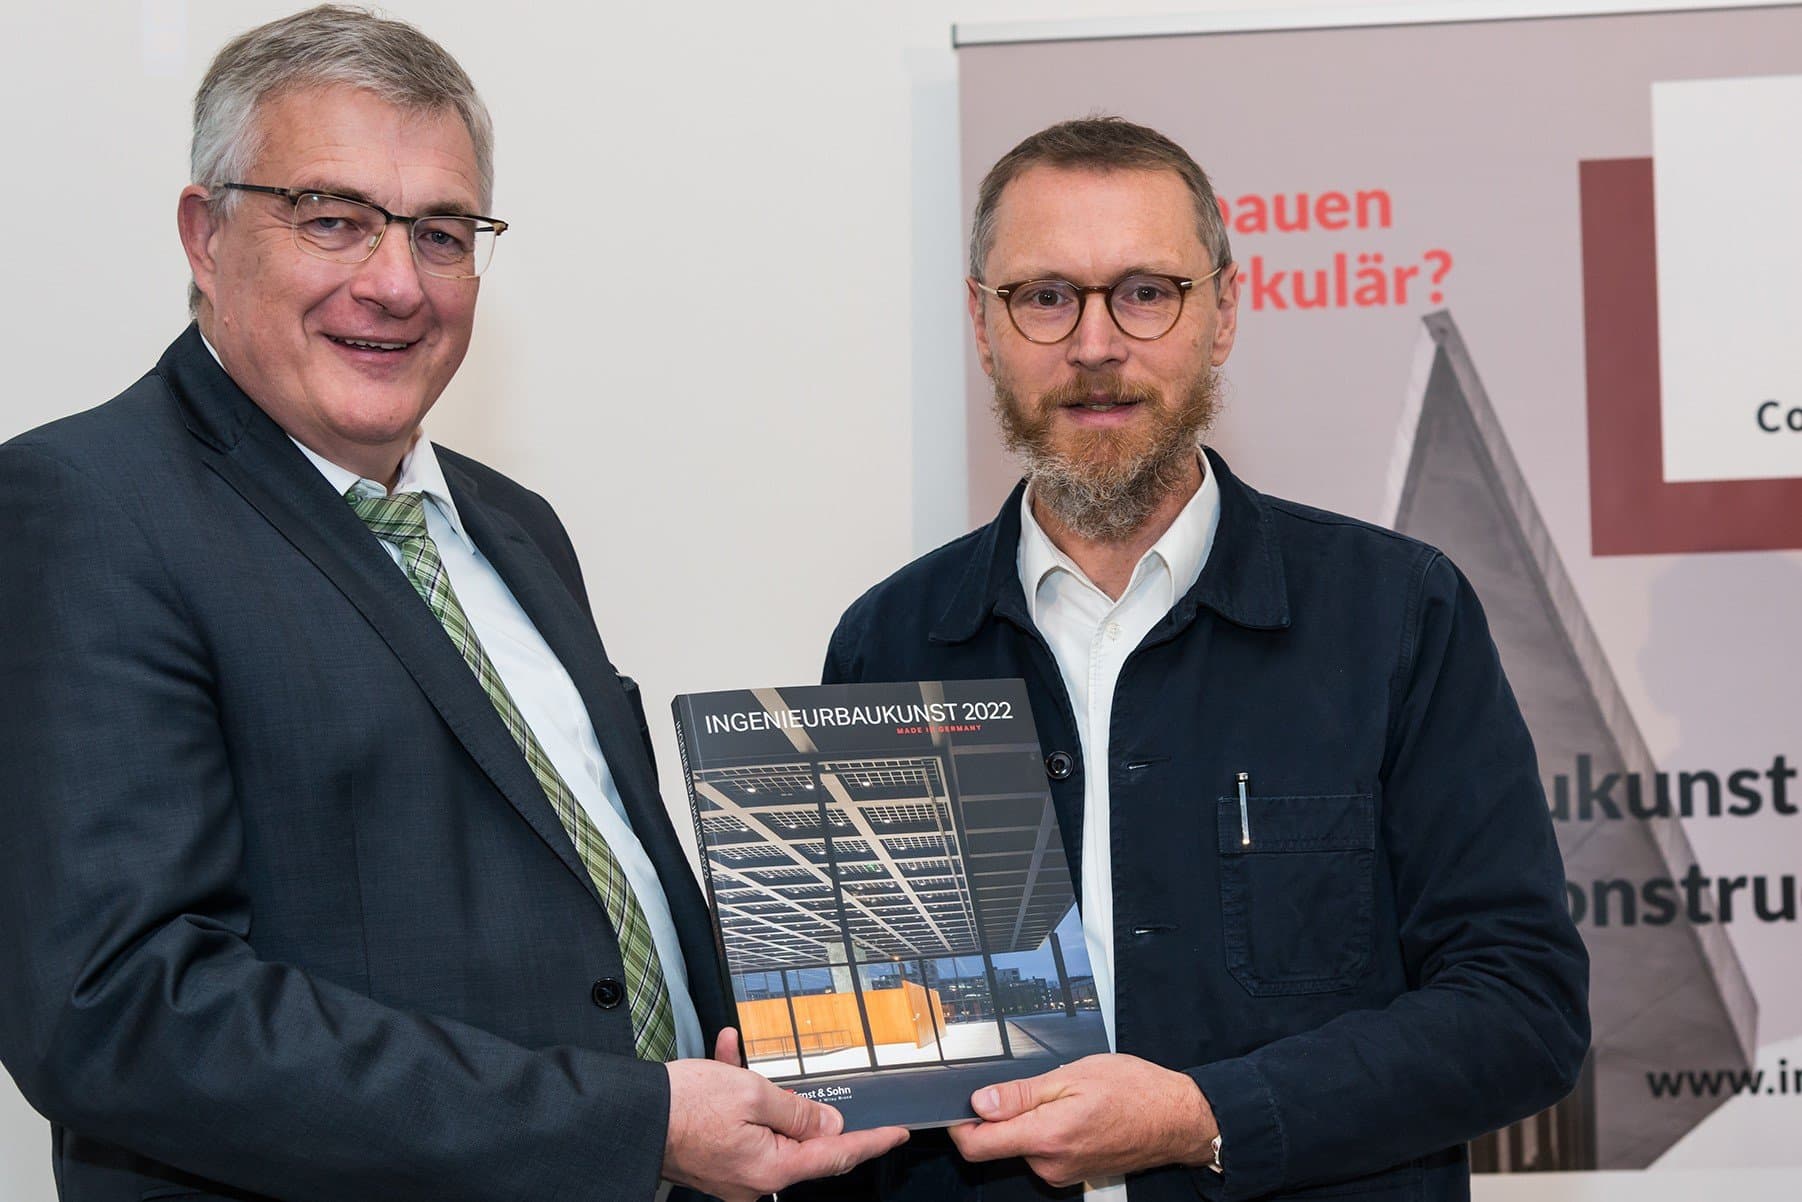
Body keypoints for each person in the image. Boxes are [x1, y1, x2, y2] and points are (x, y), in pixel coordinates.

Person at [0, 7, 902, 1200]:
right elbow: (122, 1009)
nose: (395, 283)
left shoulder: (511, 523)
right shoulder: (85, 508)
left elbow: (586, 882)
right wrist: (627, 1123)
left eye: (440, 232)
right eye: (332, 219)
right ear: (204, 235)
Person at [810, 117, 1588, 1201]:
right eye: (1044, 296)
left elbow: (1521, 1008)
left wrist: (1203, 1116)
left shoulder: (1395, 613)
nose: (1092, 343)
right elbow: (882, 1056)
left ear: (1223, 311)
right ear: (980, 325)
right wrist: (803, 1072)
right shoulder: (888, 641)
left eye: (1144, 290)